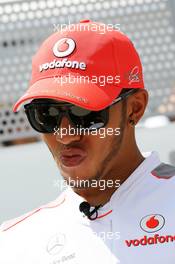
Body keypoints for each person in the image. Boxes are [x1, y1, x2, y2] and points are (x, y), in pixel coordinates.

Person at [0, 20, 175, 264]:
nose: (65, 134)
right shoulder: (14, 244)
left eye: (84, 113)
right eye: (46, 114)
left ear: (134, 109)